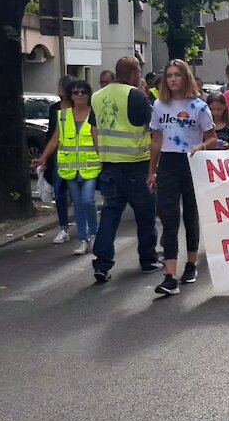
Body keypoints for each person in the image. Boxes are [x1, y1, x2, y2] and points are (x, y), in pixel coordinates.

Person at [148, 60, 217, 297]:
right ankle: (170, 275)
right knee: (169, 217)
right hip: (168, 162)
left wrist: (202, 145)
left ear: (185, 77)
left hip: (191, 161)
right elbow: (156, 139)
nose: (173, 79)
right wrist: (152, 170)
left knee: (190, 213)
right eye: (169, 76)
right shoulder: (159, 105)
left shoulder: (199, 106)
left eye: (178, 75)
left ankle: (190, 263)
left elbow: (212, 137)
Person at [90, 56, 160, 283]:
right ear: (132, 73)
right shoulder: (136, 95)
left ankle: (101, 264)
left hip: (109, 164)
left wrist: (102, 156)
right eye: (138, 71)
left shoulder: (97, 97)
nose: (140, 76)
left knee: (110, 215)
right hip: (137, 164)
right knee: (145, 215)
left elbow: (95, 130)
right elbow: (154, 128)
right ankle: (148, 260)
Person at [34, 79, 100, 256]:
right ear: (70, 95)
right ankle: (83, 239)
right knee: (78, 204)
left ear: (88, 94)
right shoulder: (63, 115)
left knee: (88, 200)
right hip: (70, 167)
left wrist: (105, 159)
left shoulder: (94, 114)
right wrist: (43, 157)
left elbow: (98, 139)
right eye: (75, 92)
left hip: (91, 166)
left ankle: (94, 234)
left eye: (83, 92)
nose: (79, 95)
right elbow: (55, 139)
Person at [45, 74, 77, 245]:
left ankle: (84, 225)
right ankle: (63, 227)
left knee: (77, 193)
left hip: (75, 156)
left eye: (63, 85)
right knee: (59, 192)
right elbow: (52, 134)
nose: (60, 88)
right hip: (58, 156)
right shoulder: (54, 108)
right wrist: (45, 156)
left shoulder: (77, 108)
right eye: (59, 85)